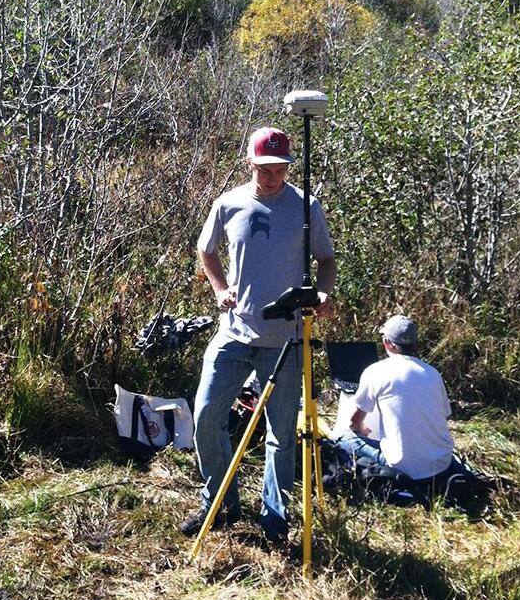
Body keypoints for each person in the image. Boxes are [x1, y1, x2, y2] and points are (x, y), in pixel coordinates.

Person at [181, 126, 336, 545]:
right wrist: (219, 288)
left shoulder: (306, 207)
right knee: (207, 416)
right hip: (233, 332)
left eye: (280, 167)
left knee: (282, 432)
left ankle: (275, 515)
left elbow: (326, 259)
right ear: (249, 161)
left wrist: (322, 292)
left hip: (286, 338)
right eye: (264, 167)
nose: (272, 175)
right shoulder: (229, 204)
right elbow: (206, 249)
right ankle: (220, 501)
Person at [333, 315, 455, 481]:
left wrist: (362, 430)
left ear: (387, 343)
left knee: (342, 437)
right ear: (415, 344)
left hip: (402, 467)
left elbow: (353, 423)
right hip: (442, 464)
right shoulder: (433, 373)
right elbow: (443, 416)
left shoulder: (376, 371)